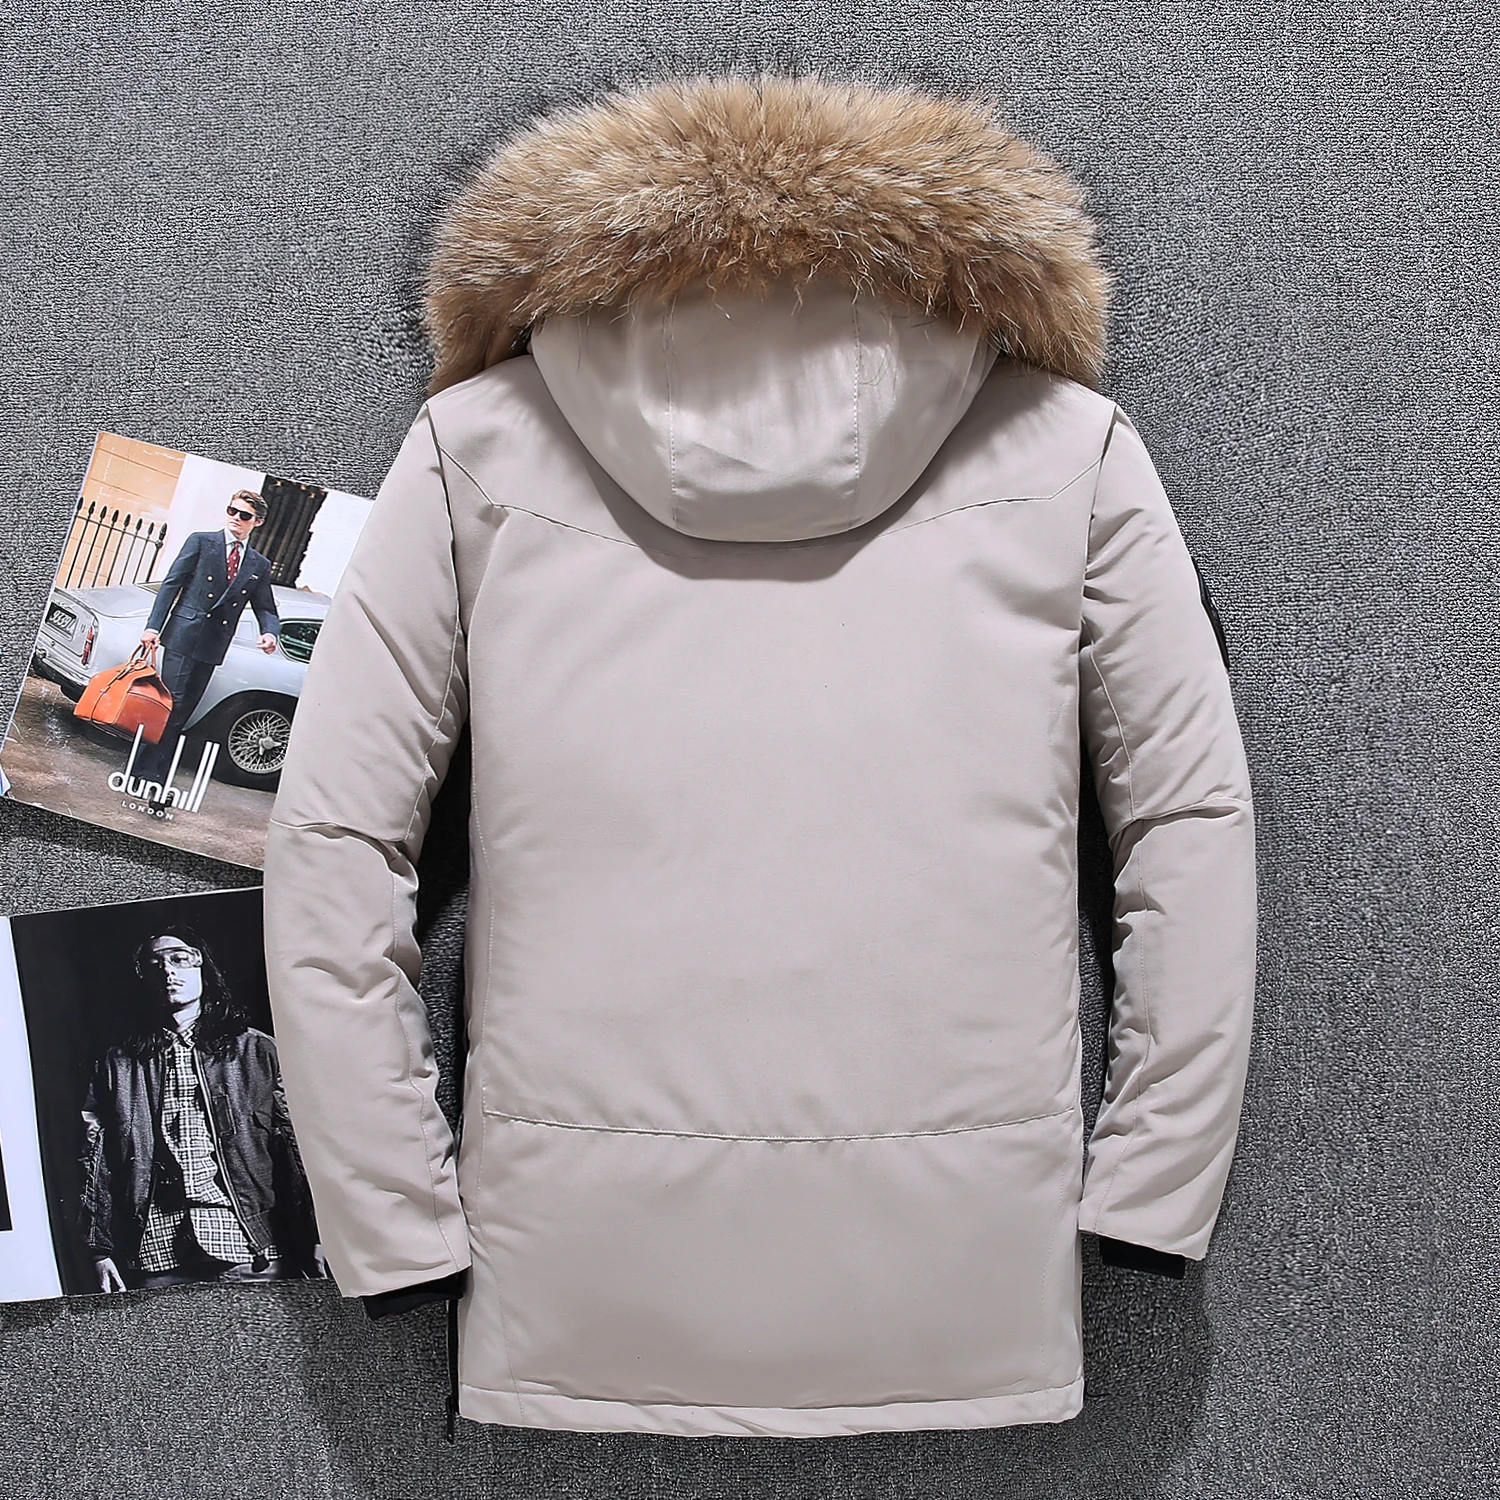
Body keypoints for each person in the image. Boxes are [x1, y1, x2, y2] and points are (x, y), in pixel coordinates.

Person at [79, 924, 320, 1290]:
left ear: (202, 967)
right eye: (154, 964)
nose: (168, 971)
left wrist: (318, 1234)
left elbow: (298, 1147)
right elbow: (95, 1158)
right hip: (157, 1252)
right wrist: (98, 1250)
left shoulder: (257, 1051)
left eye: (179, 959)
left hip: (249, 1245)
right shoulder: (117, 1064)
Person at [131, 489, 281, 797]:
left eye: (244, 515)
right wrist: (152, 627)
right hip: (183, 637)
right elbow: (171, 584)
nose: (235, 518)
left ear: (258, 522)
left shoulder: (258, 564)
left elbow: (266, 607)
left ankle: (146, 776)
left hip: (213, 646)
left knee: (182, 713)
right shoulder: (201, 542)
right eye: (232, 511)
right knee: (170, 706)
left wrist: (270, 632)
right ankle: (151, 780)